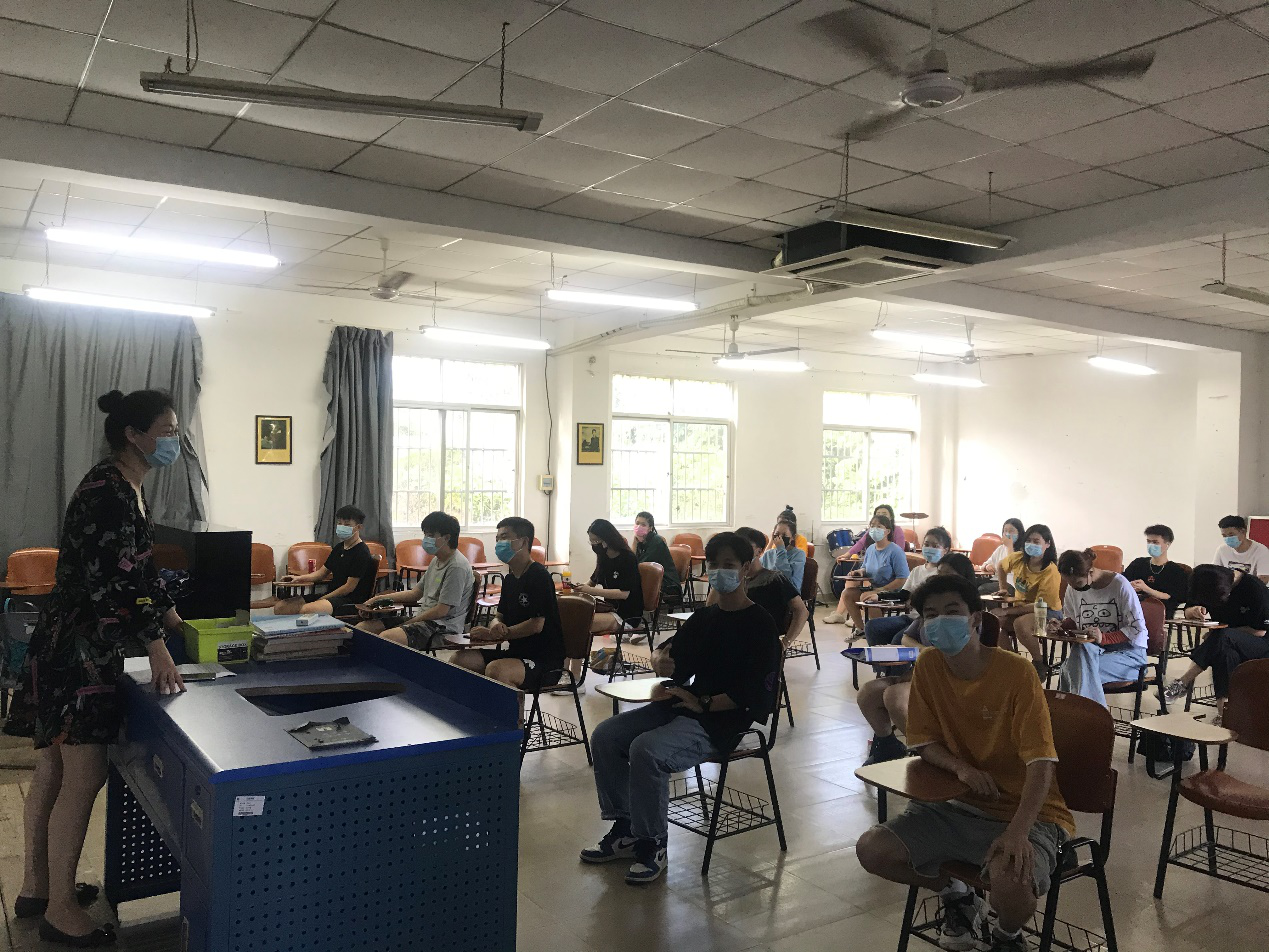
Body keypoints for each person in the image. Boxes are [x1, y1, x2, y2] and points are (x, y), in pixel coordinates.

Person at [4, 389, 186, 946]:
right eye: (167, 430)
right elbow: (115, 582)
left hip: (71, 641)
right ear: (134, 435)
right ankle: (61, 910)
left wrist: (173, 617)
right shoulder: (109, 492)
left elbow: (139, 569)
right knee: (81, 777)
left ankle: (38, 888)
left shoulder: (126, 487)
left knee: (54, 772)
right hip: (79, 651)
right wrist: (157, 643)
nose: (174, 440)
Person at [855, 574, 1074, 952]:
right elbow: (924, 742)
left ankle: (1006, 937)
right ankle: (957, 895)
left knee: (1013, 885)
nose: (940, 621)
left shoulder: (1016, 672)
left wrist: (1018, 831)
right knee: (873, 850)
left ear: (974, 618)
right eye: (930, 614)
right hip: (954, 804)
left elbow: (1041, 762)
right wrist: (961, 769)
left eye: (951, 611)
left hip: (1024, 811)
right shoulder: (928, 666)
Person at [580, 532, 781, 884]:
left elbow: (756, 697)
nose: (720, 571)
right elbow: (675, 657)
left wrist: (703, 702)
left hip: (724, 720)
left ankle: (652, 842)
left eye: (729, 565)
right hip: (686, 706)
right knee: (607, 735)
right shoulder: (706, 618)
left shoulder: (761, 624)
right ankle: (626, 828)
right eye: (714, 564)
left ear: (746, 568)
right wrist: (661, 661)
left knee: (647, 750)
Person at [858, 553, 980, 767]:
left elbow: (963, 658)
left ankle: (933, 754)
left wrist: (925, 663)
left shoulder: (967, 613)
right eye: (939, 574)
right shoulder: (929, 608)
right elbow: (907, 637)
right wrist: (924, 652)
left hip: (952, 678)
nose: (941, 580)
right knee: (869, 692)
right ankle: (888, 745)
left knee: (895, 696)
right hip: (923, 671)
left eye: (948, 575)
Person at [453, 517, 564, 693]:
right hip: (515, 653)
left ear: (524, 542)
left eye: (504, 537)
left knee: (497, 670)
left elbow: (536, 625)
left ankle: (512, 711)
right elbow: (499, 616)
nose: (499, 543)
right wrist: (494, 626)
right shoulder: (510, 579)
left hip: (544, 660)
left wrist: (498, 634)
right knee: (460, 660)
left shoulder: (539, 576)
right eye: (497, 539)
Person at [354, 510, 472, 650]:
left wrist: (409, 623)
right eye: (425, 535)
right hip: (424, 619)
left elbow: (441, 611)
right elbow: (415, 593)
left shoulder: (457, 567)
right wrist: (377, 599)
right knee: (363, 628)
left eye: (430, 535)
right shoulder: (437, 560)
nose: (426, 539)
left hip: (442, 627)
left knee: (387, 638)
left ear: (446, 538)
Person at [1164, 564, 1269, 720]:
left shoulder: (1254, 589)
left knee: (1222, 637)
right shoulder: (1207, 583)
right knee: (1224, 653)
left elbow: (1260, 631)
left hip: (1261, 643)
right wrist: (1193, 611)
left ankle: (1183, 682)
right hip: (1225, 641)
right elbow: (1187, 611)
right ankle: (1224, 715)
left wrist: (1221, 634)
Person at [1051, 549, 1148, 707]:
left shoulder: (1120, 585)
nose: (1074, 588)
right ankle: (1088, 717)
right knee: (1077, 661)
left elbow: (1136, 629)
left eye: (1078, 584)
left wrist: (1104, 638)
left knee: (1072, 670)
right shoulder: (1073, 588)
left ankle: (1077, 716)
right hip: (1092, 652)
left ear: (1090, 572)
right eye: (1069, 584)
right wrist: (1061, 626)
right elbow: (1074, 621)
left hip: (1129, 656)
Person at [274, 506, 376, 616]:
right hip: (331, 595)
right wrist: (298, 578)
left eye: (347, 525)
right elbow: (321, 573)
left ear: (358, 527)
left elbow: (348, 588)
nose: (342, 527)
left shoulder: (361, 552)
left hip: (350, 600)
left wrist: (322, 599)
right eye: (339, 523)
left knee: (307, 610)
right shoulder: (339, 548)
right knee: (281, 607)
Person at [860, 526, 952, 647]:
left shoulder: (945, 572)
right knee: (872, 627)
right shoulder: (917, 571)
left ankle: (899, 658)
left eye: (935, 546)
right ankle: (881, 658)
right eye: (926, 544)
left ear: (945, 550)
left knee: (898, 641)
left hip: (926, 621)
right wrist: (879, 596)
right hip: (910, 618)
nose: (929, 548)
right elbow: (903, 595)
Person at [993, 524, 1062, 680]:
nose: (1031, 544)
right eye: (1028, 541)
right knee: (995, 623)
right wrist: (1003, 588)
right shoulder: (1018, 558)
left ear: (1047, 544)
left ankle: (1039, 663)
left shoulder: (1050, 570)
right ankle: (1015, 663)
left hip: (1048, 613)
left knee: (1020, 623)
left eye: (1036, 541)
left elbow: (1040, 605)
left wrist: (1007, 611)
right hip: (1022, 608)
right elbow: (1001, 566)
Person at [824, 512, 909, 630]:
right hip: (875, 588)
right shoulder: (870, 549)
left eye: (879, 527)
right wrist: (859, 572)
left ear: (887, 531)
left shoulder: (895, 551)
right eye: (872, 526)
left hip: (892, 592)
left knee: (867, 596)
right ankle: (861, 629)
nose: (874, 529)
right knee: (847, 593)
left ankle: (880, 631)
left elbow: (902, 578)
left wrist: (881, 590)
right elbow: (866, 568)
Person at [1123, 524, 1189, 617]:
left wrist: (1146, 589)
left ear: (1167, 544)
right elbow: (1123, 582)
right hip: (1133, 612)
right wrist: (1130, 586)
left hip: (1161, 614)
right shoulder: (1138, 564)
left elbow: (1172, 597)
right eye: (1148, 541)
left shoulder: (1176, 571)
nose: (1151, 545)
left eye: (1155, 542)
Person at [633, 511, 681, 602]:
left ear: (650, 528)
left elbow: (641, 565)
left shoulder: (656, 541)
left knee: (632, 584)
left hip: (667, 582)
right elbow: (633, 561)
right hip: (652, 578)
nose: (639, 527)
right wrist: (635, 543)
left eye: (643, 525)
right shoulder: (641, 541)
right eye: (637, 523)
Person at [977, 518, 1024, 595]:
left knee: (983, 589)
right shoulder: (1001, 548)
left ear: (1019, 533)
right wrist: (987, 566)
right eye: (1005, 531)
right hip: (995, 579)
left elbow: (1012, 567)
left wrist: (1009, 546)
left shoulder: (1023, 550)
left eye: (1011, 531)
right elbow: (985, 564)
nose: (1007, 533)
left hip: (1011, 583)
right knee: (972, 584)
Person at [1214, 515, 1269, 580]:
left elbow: (1263, 579)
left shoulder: (1261, 551)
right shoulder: (1222, 550)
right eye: (1224, 536)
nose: (1228, 538)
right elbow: (1215, 574)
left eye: (1231, 535)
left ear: (1243, 532)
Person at [843, 503, 908, 557]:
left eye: (884, 514)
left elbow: (900, 552)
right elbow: (861, 543)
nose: (881, 516)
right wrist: (847, 555)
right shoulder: (872, 532)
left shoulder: (897, 530)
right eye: (878, 514)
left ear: (891, 517)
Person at [762, 516, 807, 591]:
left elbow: (785, 578)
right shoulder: (768, 554)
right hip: (769, 591)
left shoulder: (799, 554)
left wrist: (781, 550)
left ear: (793, 537)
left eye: (784, 535)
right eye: (777, 534)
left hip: (789, 592)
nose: (780, 538)